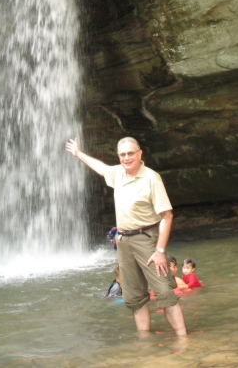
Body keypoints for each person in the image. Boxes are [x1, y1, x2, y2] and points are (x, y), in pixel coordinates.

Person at [66, 136, 187, 336]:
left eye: (131, 153)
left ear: (140, 154)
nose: (126, 158)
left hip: (147, 238)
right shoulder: (118, 174)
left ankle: (184, 340)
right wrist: (78, 154)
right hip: (123, 241)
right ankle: (145, 343)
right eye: (122, 154)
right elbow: (102, 168)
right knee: (134, 297)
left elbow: (167, 215)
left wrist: (160, 250)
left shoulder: (151, 178)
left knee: (164, 292)